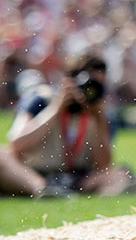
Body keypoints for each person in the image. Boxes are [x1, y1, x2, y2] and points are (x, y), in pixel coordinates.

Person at [0, 53, 129, 197]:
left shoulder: (102, 113)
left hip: (78, 177)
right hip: (34, 172)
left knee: (119, 174)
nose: (90, 91)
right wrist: (56, 109)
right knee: (2, 155)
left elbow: (103, 164)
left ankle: (63, 192)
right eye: (86, 84)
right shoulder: (41, 99)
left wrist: (98, 117)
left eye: (97, 85)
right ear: (69, 81)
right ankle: (44, 190)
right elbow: (17, 144)